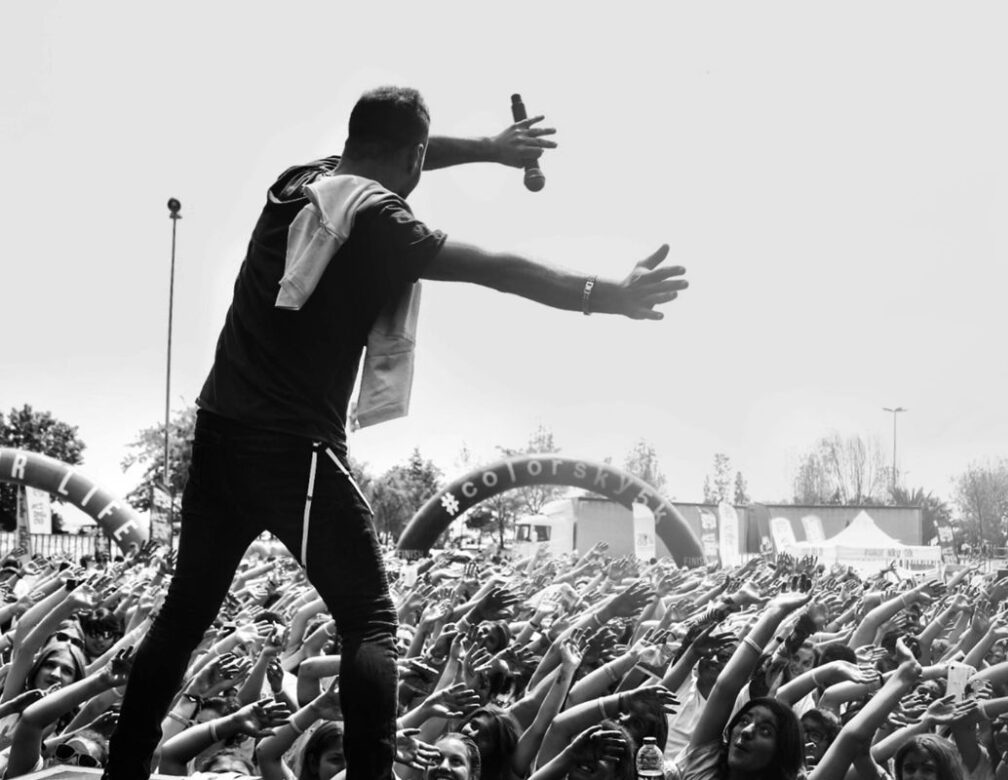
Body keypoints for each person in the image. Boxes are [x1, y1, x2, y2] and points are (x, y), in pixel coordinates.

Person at [103, 84, 688, 780]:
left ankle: (123, 770)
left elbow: (398, 151)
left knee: (183, 615)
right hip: (293, 447)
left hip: (218, 433)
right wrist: (607, 294)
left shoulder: (300, 183)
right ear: (412, 156)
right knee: (371, 620)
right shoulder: (380, 220)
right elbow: (496, 270)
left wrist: (492, 151)